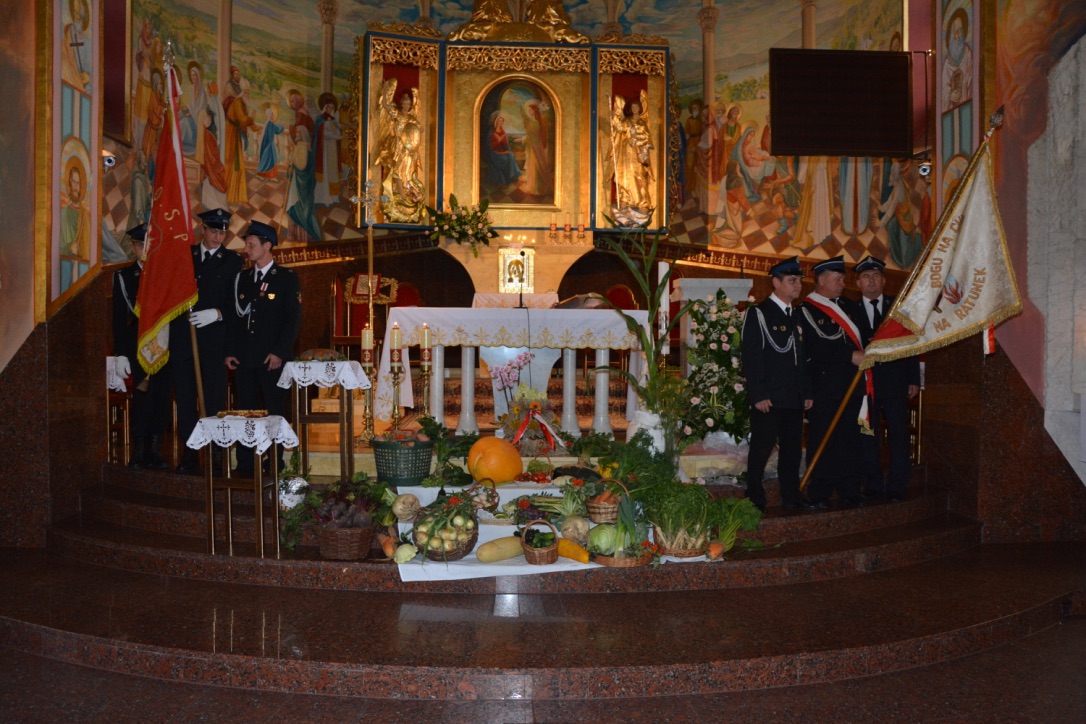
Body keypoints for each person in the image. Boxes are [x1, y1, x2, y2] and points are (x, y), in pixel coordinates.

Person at [171, 209, 244, 474]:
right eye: (213, 231)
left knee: (214, 399)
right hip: (184, 339)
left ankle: (216, 451)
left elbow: (238, 304)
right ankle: (189, 452)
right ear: (202, 229)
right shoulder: (185, 256)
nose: (218, 237)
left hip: (214, 342)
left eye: (222, 232)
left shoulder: (233, 261)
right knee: (186, 398)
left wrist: (217, 313)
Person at [225, 221, 301, 474]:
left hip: (271, 358)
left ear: (267, 246)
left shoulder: (286, 278)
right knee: (245, 411)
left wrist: (280, 351)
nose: (246, 249)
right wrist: (231, 350)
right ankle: (245, 461)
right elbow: (235, 318)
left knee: (274, 411)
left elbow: (292, 320)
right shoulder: (243, 278)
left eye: (251, 245)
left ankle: (275, 460)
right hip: (245, 357)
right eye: (246, 244)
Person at [740, 256, 813, 513]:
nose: (798, 285)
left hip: (794, 396)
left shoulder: (797, 314)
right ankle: (754, 495)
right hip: (769, 397)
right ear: (776, 283)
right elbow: (752, 357)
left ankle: (791, 494)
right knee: (761, 448)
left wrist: (806, 391)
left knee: (792, 450)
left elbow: (802, 358)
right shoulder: (759, 313)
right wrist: (758, 393)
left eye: (799, 281)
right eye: (792, 280)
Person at [797, 256, 867, 508]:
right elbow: (812, 348)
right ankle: (820, 491)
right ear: (822, 279)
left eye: (843, 279)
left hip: (853, 384)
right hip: (824, 387)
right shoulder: (805, 310)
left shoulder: (850, 307)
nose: (842, 284)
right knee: (823, 438)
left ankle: (850, 489)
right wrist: (848, 355)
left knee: (850, 439)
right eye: (838, 279)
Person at [850, 255, 921, 502]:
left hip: (895, 380)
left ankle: (897, 485)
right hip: (864, 383)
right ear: (858, 283)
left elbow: (911, 343)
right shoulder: (849, 310)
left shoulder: (897, 308)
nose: (871, 281)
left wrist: (914, 379)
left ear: (884, 281)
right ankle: (872, 483)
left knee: (899, 434)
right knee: (867, 434)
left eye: (876, 276)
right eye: (866, 277)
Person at [111, 224, 171, 471]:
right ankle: (139, 448)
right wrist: (120, 354)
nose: (144, 250)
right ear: (133, 248)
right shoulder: (124, 276)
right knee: (142, 398)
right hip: (136, 345)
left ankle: (155, 448)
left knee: (162, 396)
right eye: (139, 245)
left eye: (148, 245)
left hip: (164, 344)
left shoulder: (165, 274)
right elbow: (118, 317)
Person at [484, 111, 522, 188]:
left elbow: (504, 144)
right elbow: (491, 147)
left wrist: (506, 147)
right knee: (506, 157)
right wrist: (499, 142)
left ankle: (513, 176)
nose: (501, 122)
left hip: (501, 150)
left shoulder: (502, 131)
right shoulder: (492, 133)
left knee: (511, 154)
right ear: (496, 122)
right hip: (494, 153)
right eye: (499, 121)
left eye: (502, 121)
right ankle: (509, 177)